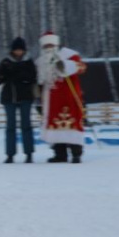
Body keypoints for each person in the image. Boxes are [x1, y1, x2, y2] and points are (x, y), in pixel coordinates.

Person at [35, 31, 87, 163]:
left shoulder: (69, 54)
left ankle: (76, 154)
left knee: (72, 125)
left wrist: (65, 66)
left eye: (51, 45)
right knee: (55, 127)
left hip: (69, 97)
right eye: (46, 46)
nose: (48, 48)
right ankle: (60, 154)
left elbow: (82, 67)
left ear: (56, 44)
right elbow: (40, 81)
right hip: (51, 100)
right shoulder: (41, 61)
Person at [0, 36, 37, 163]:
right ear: (12, 50)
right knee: (10, 127)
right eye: (16, 50)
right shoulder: (5, 62)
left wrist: (21, 76)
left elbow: (33, 77)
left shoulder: (29, 62)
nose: (18, 52)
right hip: (9, 98)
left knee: (26, 126)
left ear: (24, 50)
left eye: (20, 50)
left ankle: (29, 153)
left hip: (25, 97)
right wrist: (4, 75)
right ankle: (10, 154)